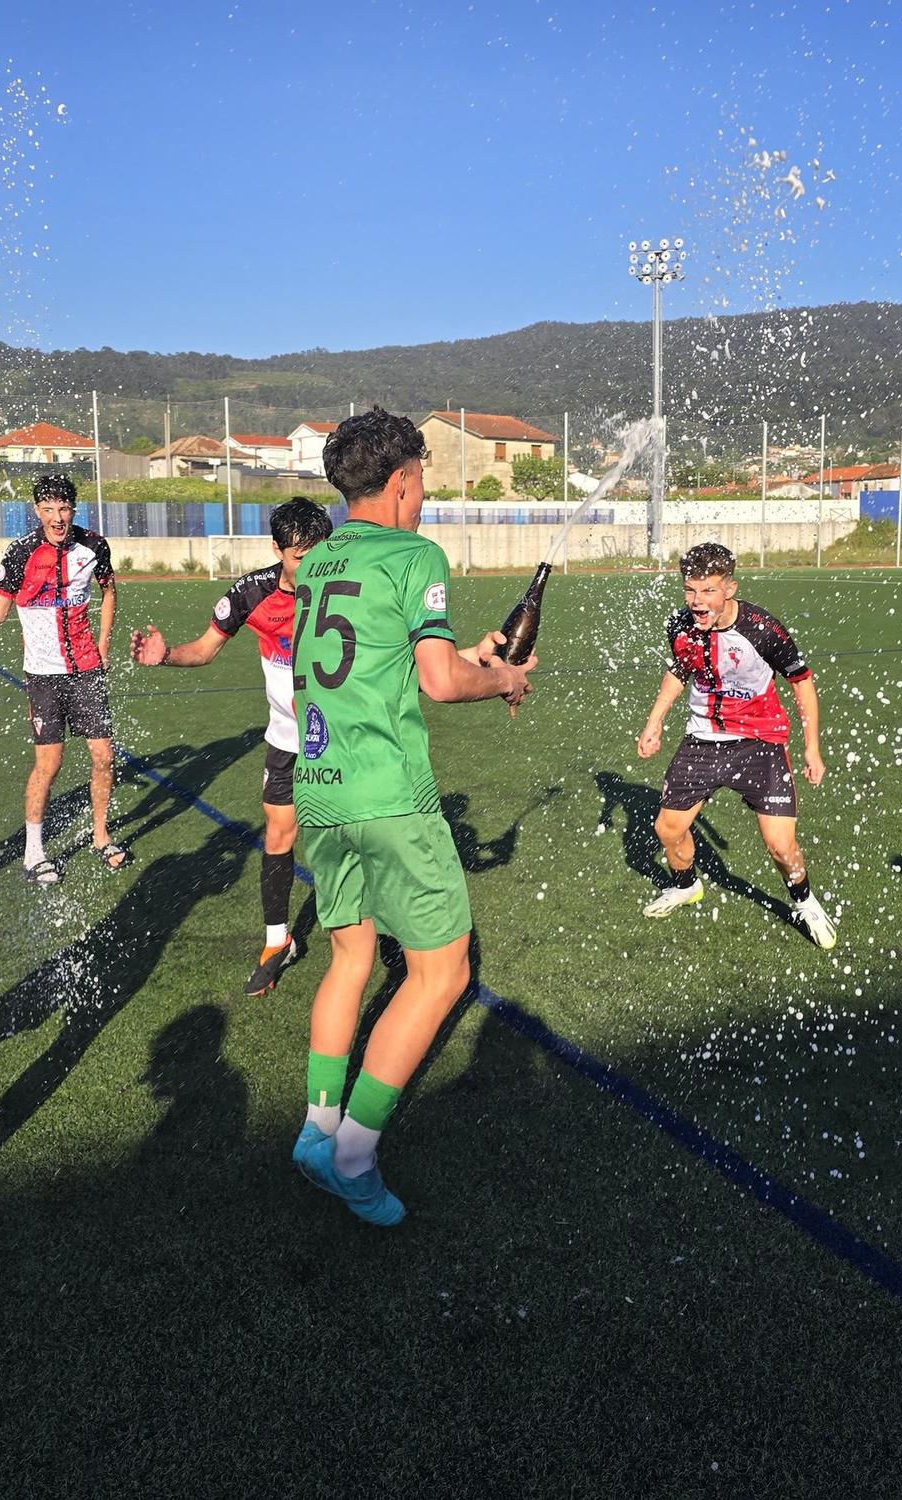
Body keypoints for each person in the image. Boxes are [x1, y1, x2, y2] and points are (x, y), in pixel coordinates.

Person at [287, 407, 535, 1226]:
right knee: (442, 972)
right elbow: (435, 680)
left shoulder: (316, 561)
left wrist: (478, 654)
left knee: (350, 958)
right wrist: (499, 680)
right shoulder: (416, 552)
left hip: (320, 792)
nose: (424, 494)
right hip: (390, 794)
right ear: (400, 480)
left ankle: (319, 1129)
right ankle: (353, 1158)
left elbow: (393, 657)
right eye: (423, 478)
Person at [130, 498, 336, 995]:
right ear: (277, 550)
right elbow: (204, 648)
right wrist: (166, 656)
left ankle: (381, 929)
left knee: (353, 839)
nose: (310, 566)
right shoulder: (252, 593)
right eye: (299, 556)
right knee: (279, 834)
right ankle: (277, 941)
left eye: (318, 553)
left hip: (343, 741)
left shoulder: (342, 587)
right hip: (288, 739)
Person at [634, 542, 835, 949]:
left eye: (707, 590)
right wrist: (654, 722)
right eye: (689, 590)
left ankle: (805, 900)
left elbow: (803, 684)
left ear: (729, 588)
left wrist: (812, 747)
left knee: (780, 846)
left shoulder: (763, 628)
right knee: (667, 829)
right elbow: (677, 672)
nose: (696, 602)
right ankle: (686, 886)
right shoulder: (681, 625)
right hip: (703, 739)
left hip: (760, 742)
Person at [0, 474, 126, 883]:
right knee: (49, 765)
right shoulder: (20, 552)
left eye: (65, 508)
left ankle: (100, 835)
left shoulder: (94, 546)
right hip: (43, 677)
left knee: (104, 757)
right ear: (37, 511)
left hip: (87, 670)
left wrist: (104, 644)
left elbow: (109, 592)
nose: (58, 517)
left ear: (74, 509)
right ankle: (34, 852)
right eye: (49, 509)